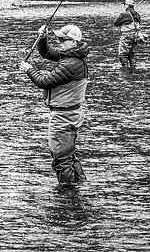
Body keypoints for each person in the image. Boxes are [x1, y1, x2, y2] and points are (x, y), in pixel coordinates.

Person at [19, 23, 89, 185]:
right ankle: (80, 185)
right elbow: (47, 52)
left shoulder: (70, 65)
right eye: (58, 39)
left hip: (63, 118)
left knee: (61, 159)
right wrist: (43, 38)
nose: (60, 42)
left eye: (63, 40)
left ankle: (67, 195)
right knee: (68, 155)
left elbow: (44, 81)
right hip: (71, 114)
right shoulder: (72, 56)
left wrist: (29, 69)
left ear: (73, 42)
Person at [114, 0, 142, 69]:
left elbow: (116, 23)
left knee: (122, 54)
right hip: (135, 37)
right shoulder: (137, 14)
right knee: (131, 53)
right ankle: (133, 68)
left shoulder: (124, 14)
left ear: (127, 5)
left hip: (126, 36)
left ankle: (125, 69)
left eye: (124, 5)